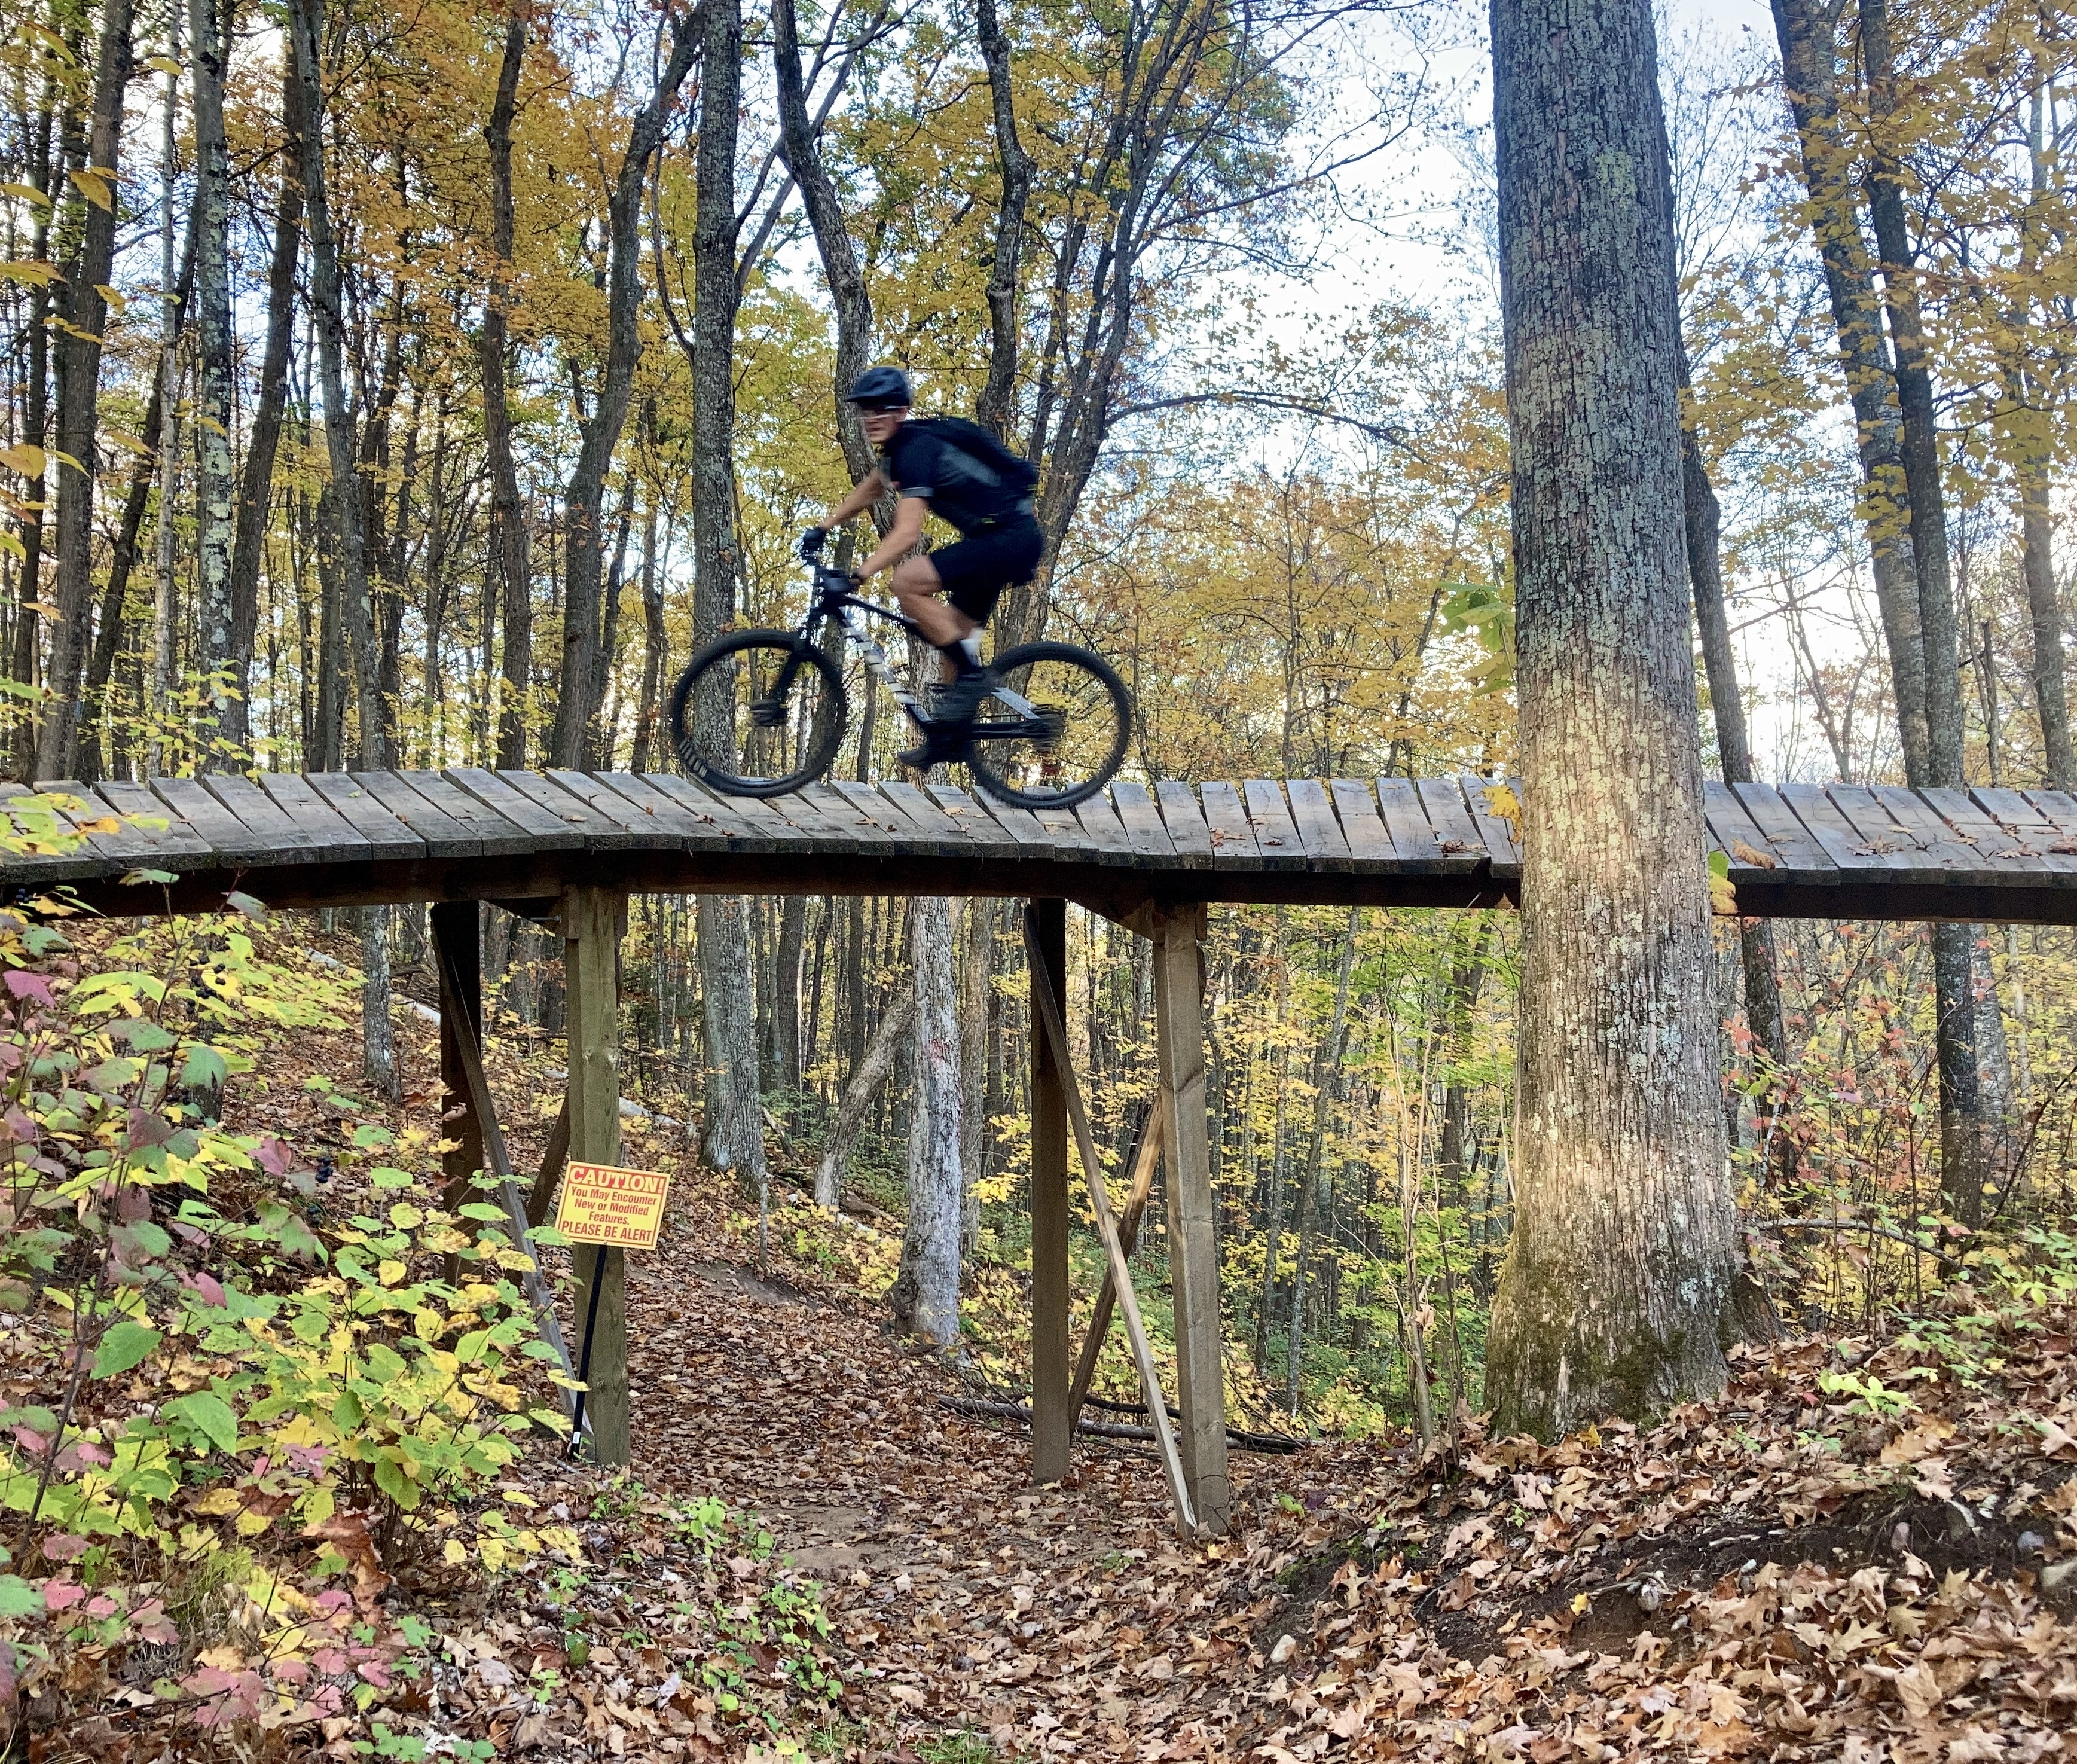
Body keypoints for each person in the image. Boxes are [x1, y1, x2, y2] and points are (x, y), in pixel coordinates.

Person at [805, 365, 1043, 768]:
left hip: (1009, 539)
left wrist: (859, 575)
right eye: (865, 411)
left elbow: (907, 534)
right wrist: (824, 525)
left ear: (902, 411)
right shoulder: (905, 452)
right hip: (1000, 540)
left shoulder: (916, 451)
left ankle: (973, 679)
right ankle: (949, 738)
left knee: (907, 582)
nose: (872, 418)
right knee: (951, 634)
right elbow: (872, 487)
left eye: (882, 409)